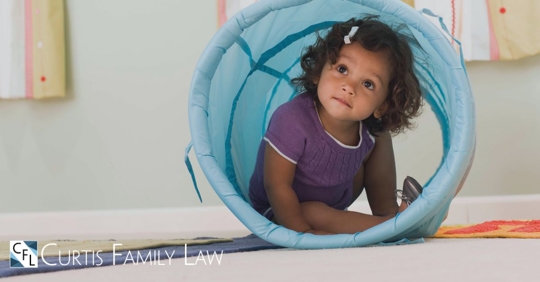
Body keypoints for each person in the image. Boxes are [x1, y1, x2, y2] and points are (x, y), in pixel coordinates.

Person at [248, 16, 423, 235]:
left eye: (368, 83)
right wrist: (301, 235)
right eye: (342, 69)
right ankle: (396, 227)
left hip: (335, 194)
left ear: (381, 106)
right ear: (318, 71)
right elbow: (276, 185)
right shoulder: (291, 119)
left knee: (379, 134)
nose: (349, 87)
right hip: (279, 210)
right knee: (313, 212)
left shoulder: (369, 130)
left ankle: (388, 212)